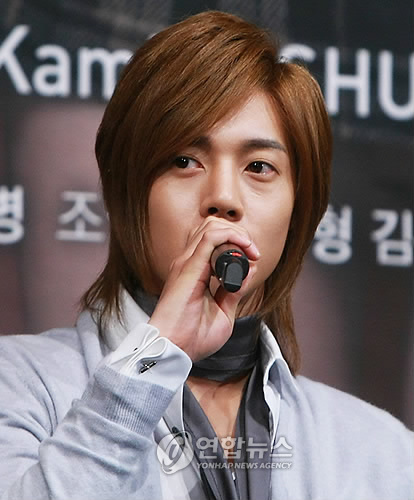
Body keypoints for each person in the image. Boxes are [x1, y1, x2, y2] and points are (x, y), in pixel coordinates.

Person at [0, 10, 412, 500]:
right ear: (126, 190)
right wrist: (154, 356)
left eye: (259, 167)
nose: (224, 197)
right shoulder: (19, 384)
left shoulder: (381, 451)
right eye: (185, 161)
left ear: (299, 209)